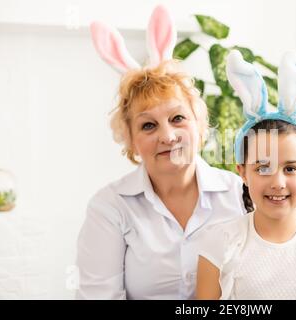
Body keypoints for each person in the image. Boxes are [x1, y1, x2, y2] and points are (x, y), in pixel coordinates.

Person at [76, 6, 245, 299]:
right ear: (129, 140)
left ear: (199, 123)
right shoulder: (109, 208)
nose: (167, 136)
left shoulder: (239, 194)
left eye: (178, 118)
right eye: (148, 125)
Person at [196, 50, 296, 300]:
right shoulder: (219, 243)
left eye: (290, 168)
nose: (278, 182)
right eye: (263, 168)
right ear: (242, 172)